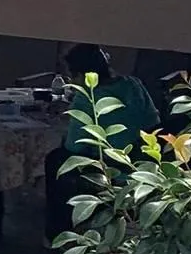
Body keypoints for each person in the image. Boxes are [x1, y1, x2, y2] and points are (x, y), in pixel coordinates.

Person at [47, 44, 155, 237]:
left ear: (82, 75)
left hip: (110, 167)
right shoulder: (134, 84)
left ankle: (58, 230)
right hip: (143, 162)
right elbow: (153, 121)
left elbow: (75, 146)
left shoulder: (86, 98)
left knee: (56, 161)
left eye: (73, 77)